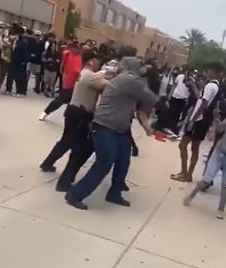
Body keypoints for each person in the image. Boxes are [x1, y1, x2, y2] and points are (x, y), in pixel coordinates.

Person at [66, 57, 158, 210]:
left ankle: (114, 194)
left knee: (123, 161)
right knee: (104, 162)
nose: (143, 69)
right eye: (141, 66)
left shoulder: (130, 81)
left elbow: (142, 106)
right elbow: (151, 98)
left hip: (119, 129)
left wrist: (147, 127)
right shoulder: (129, 79)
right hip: (104, 127)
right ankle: (75, 195)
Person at [46, 51, 108, 191]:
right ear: (91, 61)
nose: (100, 63)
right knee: (78, 150)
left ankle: (47, 163)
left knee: (65, 141)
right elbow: (110, 85)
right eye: (97, 60)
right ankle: (64, 183)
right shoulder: (90, 76)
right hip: (80, 114)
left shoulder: (86, 73)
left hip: (73, 111)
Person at [170, 62, 224, 183]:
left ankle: (185, 173)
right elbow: (201, 97)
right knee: (195, 147)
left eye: (210, 70)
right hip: (204, 121)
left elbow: (203, 104)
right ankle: (187, 173)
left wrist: (192, 120)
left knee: (183, 145)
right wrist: (194, 85)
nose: (207, 72)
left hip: (199, 120)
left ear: (215, 72)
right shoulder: (216, 86)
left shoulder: (210, 86)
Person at [39, 42, 82, 121]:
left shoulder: (79, 57)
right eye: (75, 47)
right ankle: (46, 112)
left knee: (74, 103)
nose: (77, 49)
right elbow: (62, 66)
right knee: (60, 100)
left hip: (77, 83)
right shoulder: (67, 54)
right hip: (68, 81)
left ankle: (70, 118)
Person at [5, 25, 29, 97]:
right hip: (13, 60)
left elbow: (25, 53)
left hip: (20, 62)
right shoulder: (14, 41)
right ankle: (8, 89)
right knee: (10, 75)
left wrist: (23, 61)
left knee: (19, 77)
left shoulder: (23, 42)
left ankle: (20, 91)